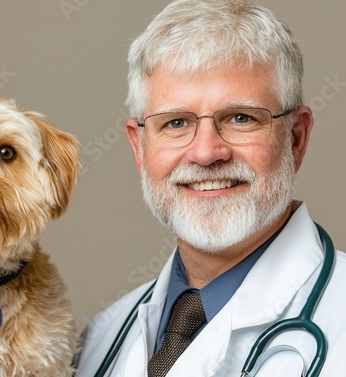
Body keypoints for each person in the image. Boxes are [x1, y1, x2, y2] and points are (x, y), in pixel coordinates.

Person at [75, 0, 346, 376]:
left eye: (240, 117)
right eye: (175, 123)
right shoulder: (98, 340)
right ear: (139, 148)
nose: (205, 153)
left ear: (296, 138)